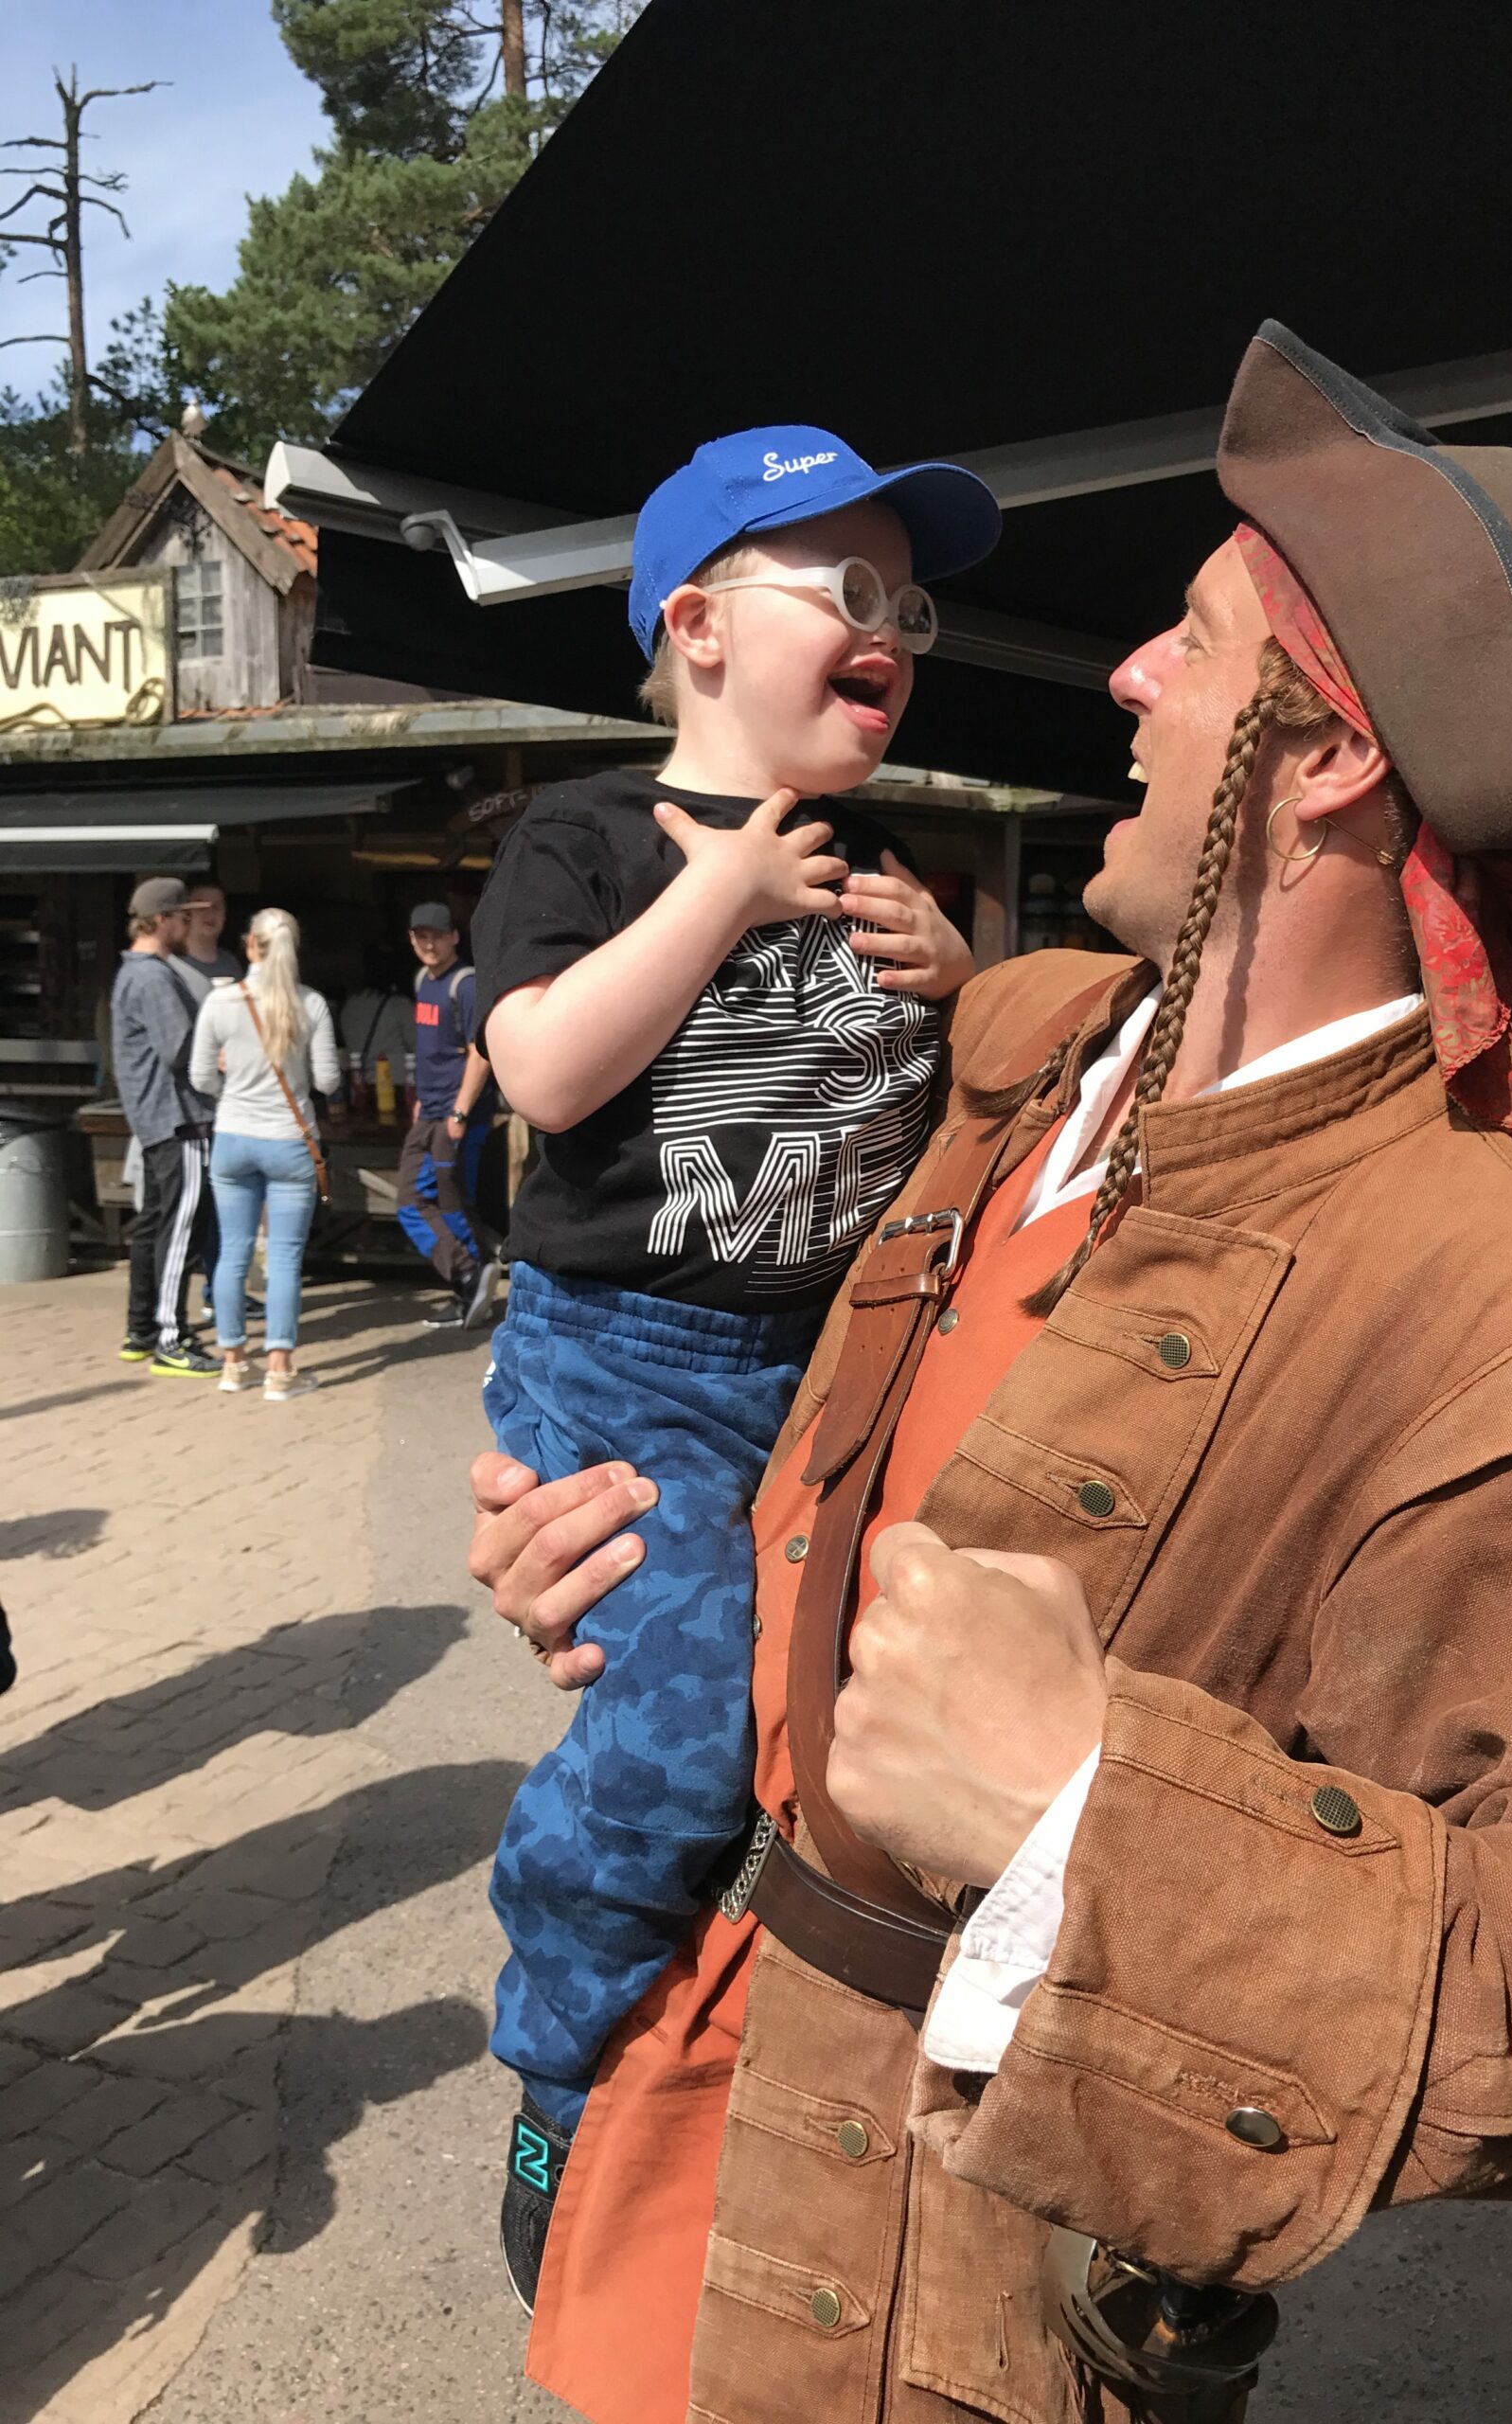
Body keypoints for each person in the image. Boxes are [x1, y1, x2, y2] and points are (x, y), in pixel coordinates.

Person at [467, 327, 1512, 2424]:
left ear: (1326, 755)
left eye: (1187, 642)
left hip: (954, 2281)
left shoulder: (1475, 1300)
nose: (1120, 676)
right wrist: (614, 1547)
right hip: (680, 2084)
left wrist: (1092, 1816)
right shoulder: (1017, 1047)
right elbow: (742, 1335)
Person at [471, 423, 997, 2310]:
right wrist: (719, 893)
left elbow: (952, 1122)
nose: (893, 633)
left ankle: (757, 2086)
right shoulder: (592, 836)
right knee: (680, 1738)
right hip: (631, 1365)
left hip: (837, 1362)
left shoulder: (895, 864)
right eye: (850, 591)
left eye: (910, 609)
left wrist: (964, 975)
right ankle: (562, 2060)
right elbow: (545, 1072)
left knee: (845, 1752)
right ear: (697, 624)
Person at [189, 907, 342, 1402]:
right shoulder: (311, 1003)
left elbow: (199, 1077)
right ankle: (280, 1370)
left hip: (233, 1138)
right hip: (290, 1141)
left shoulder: (220, 1002)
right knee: (284, 1258)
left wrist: (231, 1085)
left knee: (232, 1252)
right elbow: (328, 1081)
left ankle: (234, 1363)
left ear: (250, 945)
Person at [110, 877, 219, 1378]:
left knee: (153, 1225)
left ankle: (142, 1330)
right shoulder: (154, 977)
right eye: (183, 916)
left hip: (156, 1120)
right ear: (160, 921)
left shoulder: (134, 972)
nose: (189, 925)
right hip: (179, 1119)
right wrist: (226, 1050)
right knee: (180, 1230)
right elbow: (182, 1051)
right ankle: (171, 1339)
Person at [398, 902, 502, 1328]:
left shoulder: (466, 984)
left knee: (452, 1201)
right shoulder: (423, 980)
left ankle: (470, 1284)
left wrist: (460, 1110)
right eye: (421, 936)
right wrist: (421, 1097)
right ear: (411, 939)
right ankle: (469, 1272)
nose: (429, 944)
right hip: (429, 1109)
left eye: (438, 935)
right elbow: (432, 1050)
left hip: (459, 1114)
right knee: (410, 1202)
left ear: (455, 937)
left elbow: (482, 1051)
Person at [339, 943, 417, 1105]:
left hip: (360, 1090)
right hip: (396, 1089)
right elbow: (418, 1045)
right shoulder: (399, 1005)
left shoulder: (350, 1005)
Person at [173, 881, 243, 996]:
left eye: (217, 906)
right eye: (201, 907)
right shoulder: (170, 966)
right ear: (185, 913)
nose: (210, 913)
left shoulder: (232, 964)